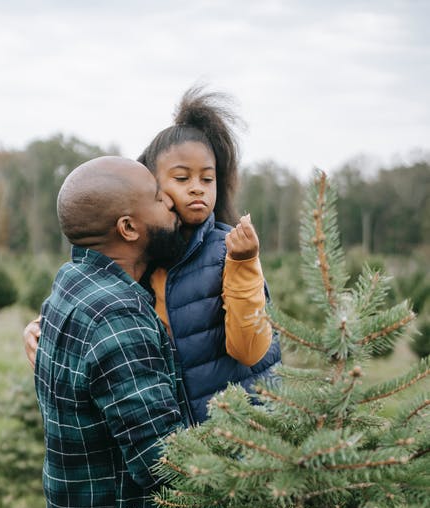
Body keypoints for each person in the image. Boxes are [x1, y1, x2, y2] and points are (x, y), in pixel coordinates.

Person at [25, 86, 281, 423]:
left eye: (208, 178)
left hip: (240, 439)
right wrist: (41, 329)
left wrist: (245, 264)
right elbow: (96, 303)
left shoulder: (228, 251)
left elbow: (250, 350)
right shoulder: (144, 253)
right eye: (181, 178)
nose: (196, 187)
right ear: (152, 187)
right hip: (180, 448)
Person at [34, 155, 189, 508]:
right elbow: (164, 462)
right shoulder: (116, 316)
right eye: (161, 200)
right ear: (128, 227)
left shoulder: (71, 282)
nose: (175, 206)